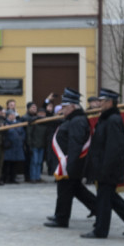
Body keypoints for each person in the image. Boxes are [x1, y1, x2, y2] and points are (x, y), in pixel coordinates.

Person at [82, 89, 124, 238]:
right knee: (110, 197)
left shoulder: (113, 120)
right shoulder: (106, 118)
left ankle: (101, 231)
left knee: (104, 200)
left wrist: (105, 169)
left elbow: (114, 148)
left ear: (109, 102)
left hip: (108, 168)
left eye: (102, 101)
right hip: (103, 166)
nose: (99, 104)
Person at [44, 88, 97, 229]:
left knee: (65, 191)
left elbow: (75, 144)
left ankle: (61, 219)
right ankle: (97, 207)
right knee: (76, 190)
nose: (62, 110)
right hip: (69, 162)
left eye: (65, 107)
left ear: (73, 106)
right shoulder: (73, 118)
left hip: (71, 162)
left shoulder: (77, 121)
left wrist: (70, 164)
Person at [2, 109, 27, 184]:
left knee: (15, 163)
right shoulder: (5, 123)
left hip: (17, 146)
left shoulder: (19, 123)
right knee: (7, 163)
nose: (13, 116)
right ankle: (6, 178)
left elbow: (23, 133)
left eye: (14, 114)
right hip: (9, 146)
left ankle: (13, 178)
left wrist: (21, 139)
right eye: (11, 115)